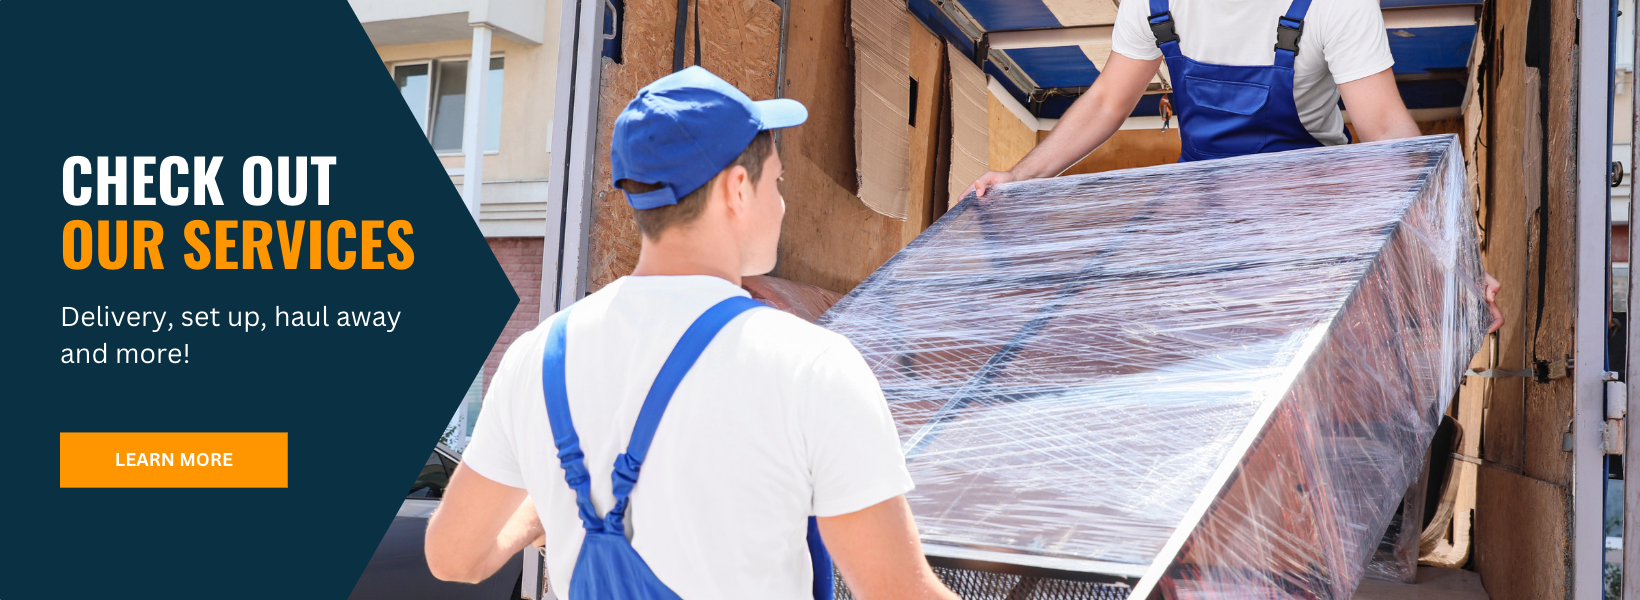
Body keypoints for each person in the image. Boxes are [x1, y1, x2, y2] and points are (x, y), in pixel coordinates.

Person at [423, 66, 960, 600]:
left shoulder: (537, 356)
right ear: (737, 188)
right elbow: (896, 592)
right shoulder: (809, 365)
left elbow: (453, 557)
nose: (781, 204)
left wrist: (549, 506)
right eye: (777, 183)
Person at [965, 0, 1504, 332]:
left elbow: (1387, 135)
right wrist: (1019, 177)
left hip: (1310, 236)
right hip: (1203, 233)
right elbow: (1108, 101)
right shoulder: (1154, 4)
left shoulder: (1333, 5)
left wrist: (1454, 259)